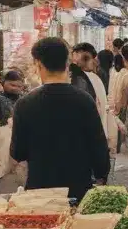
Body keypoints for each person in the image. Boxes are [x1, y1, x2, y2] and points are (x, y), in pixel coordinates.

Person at [9, 37, 111, 201]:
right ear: (67, 63)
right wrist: (101, 176)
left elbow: (18, 152)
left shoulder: (24, 104)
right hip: (78, 191)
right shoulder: (84, 101)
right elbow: (99, 152)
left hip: (40, 192)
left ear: (39, 65)